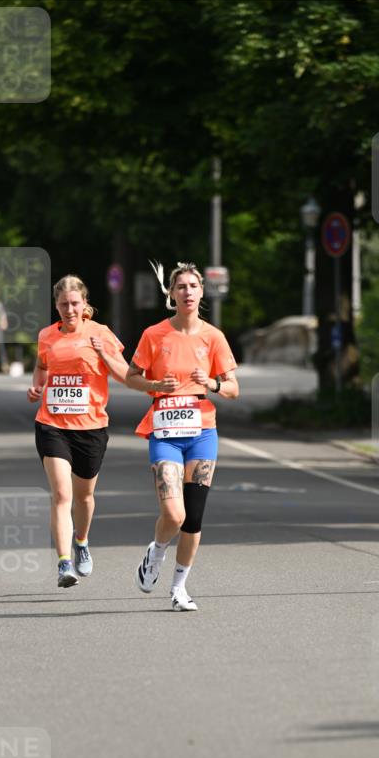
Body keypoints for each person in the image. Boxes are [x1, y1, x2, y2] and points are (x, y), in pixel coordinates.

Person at [125, 261, 239, 611]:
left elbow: (233, 388)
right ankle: (156, 552)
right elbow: (131, 377)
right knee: (173, 515)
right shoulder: (154, 335)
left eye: (193, 286)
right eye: (181, 287)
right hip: (166, 430)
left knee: (194, 517)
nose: (187, 292)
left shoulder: (213, 337)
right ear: (171, 295)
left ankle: (178, 588)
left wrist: (212, 383)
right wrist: (157, 385)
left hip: (203, 431)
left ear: (201, 292)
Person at [28, 274, 129, 588]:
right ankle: (63, 563)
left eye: (74, 303)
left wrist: (104, 353)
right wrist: (37, 386)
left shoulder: (101, 334)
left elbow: (126, 376)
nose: (69, 309)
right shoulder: (47, 336)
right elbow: (42, 366)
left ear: (85, 304)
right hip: (52, 424)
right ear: (56, 306)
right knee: (62, 494)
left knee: (84, 498)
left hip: (91, 427)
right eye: (62, 304)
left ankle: (81, 541)